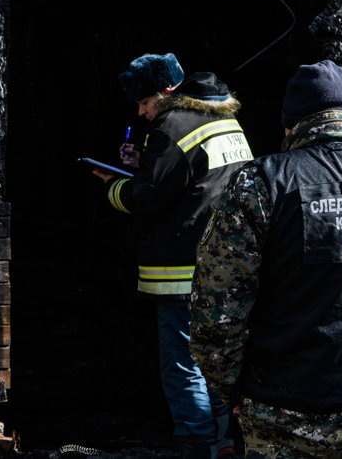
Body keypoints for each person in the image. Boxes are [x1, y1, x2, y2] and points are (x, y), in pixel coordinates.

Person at [189, 59, 342, 458]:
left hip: (283, 411)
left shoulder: (262, 183)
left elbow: (216, 312)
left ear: (290, 124)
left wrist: (231, 389)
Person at [92, 52, 254, 458]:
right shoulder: (227, 121)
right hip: (229, 267)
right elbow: (200, 182)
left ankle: (196, 443)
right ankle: (224, 442)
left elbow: (149, 199)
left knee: (183, 363)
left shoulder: (171, 124)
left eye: (144, 102)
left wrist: (114, 185)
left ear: (164, 93)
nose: (142, 112)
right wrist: (143, 165)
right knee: (218, 359)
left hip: (181, 268)